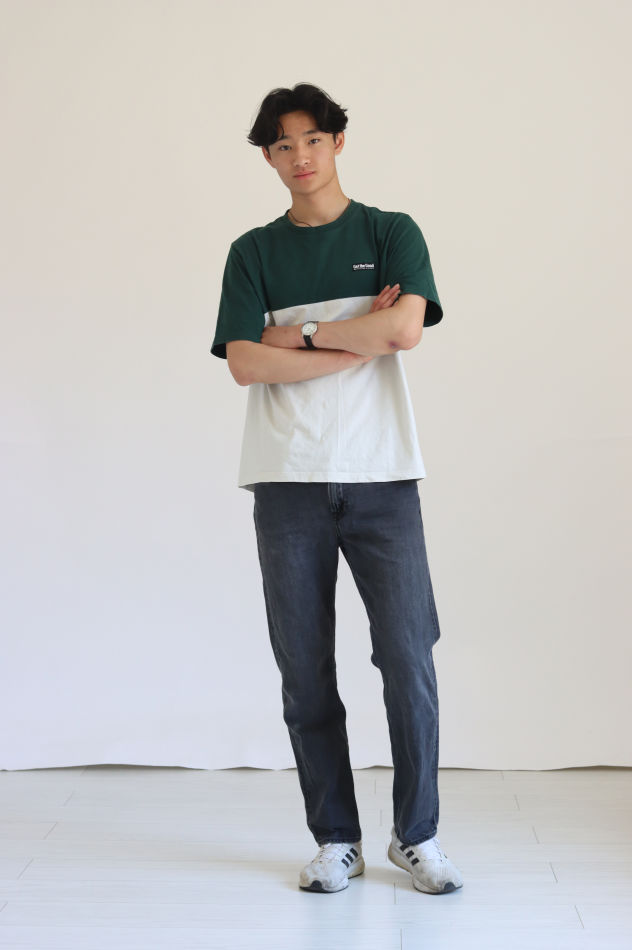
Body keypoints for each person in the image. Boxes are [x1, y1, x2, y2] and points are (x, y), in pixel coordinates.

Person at [210, 82, 464, 896]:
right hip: (286, 483)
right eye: (282, 146)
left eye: (312, 140)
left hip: (382, 477)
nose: (299, 157)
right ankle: (336, 840)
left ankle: (416, 836)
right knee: (305, 673)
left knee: (407, 660)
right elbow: (245, 362)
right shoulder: (252, 252)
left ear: (337, 142)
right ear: (267, 157)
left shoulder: (389, 232)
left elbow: (404, 328)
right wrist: (356, 342)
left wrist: (304, 335)